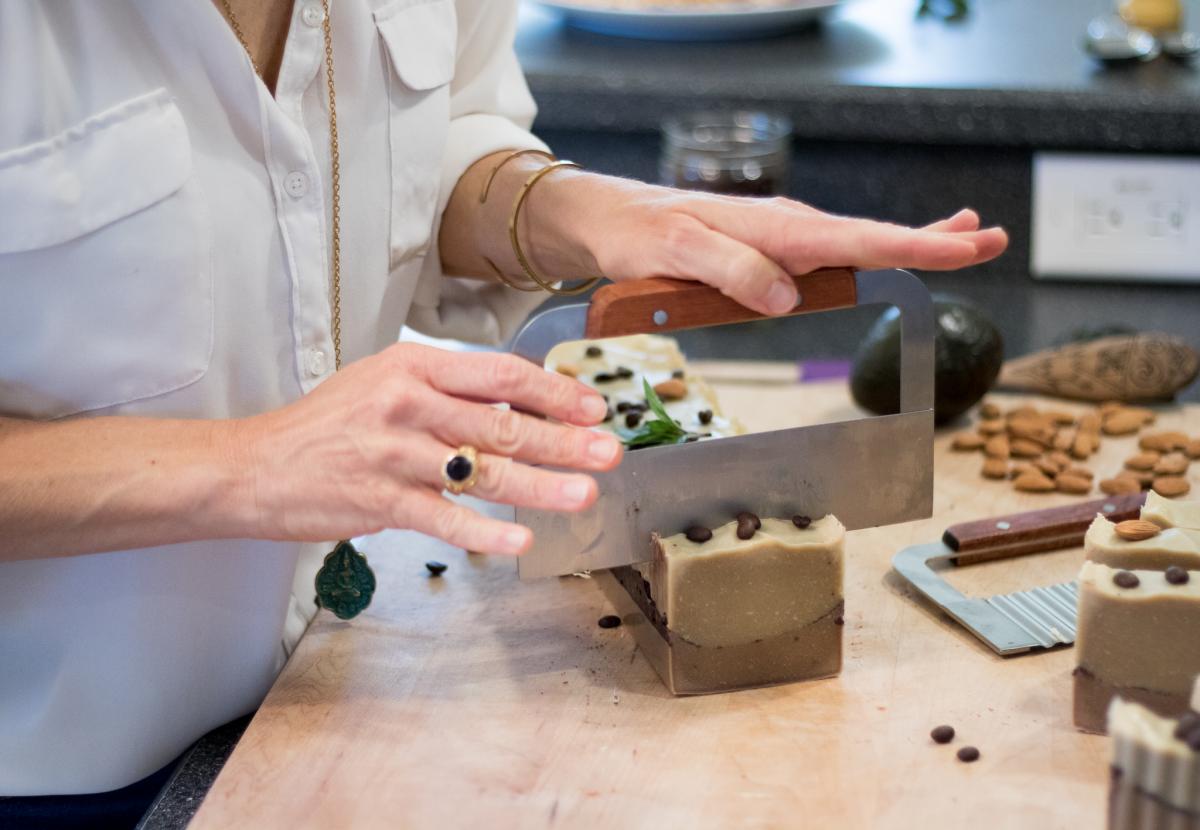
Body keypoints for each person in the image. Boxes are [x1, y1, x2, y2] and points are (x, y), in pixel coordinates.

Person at [0, 0, 1007, 825]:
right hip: (61, 776)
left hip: (326, 690)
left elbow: (429, 149)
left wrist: (585, 213)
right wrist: (250, 461)